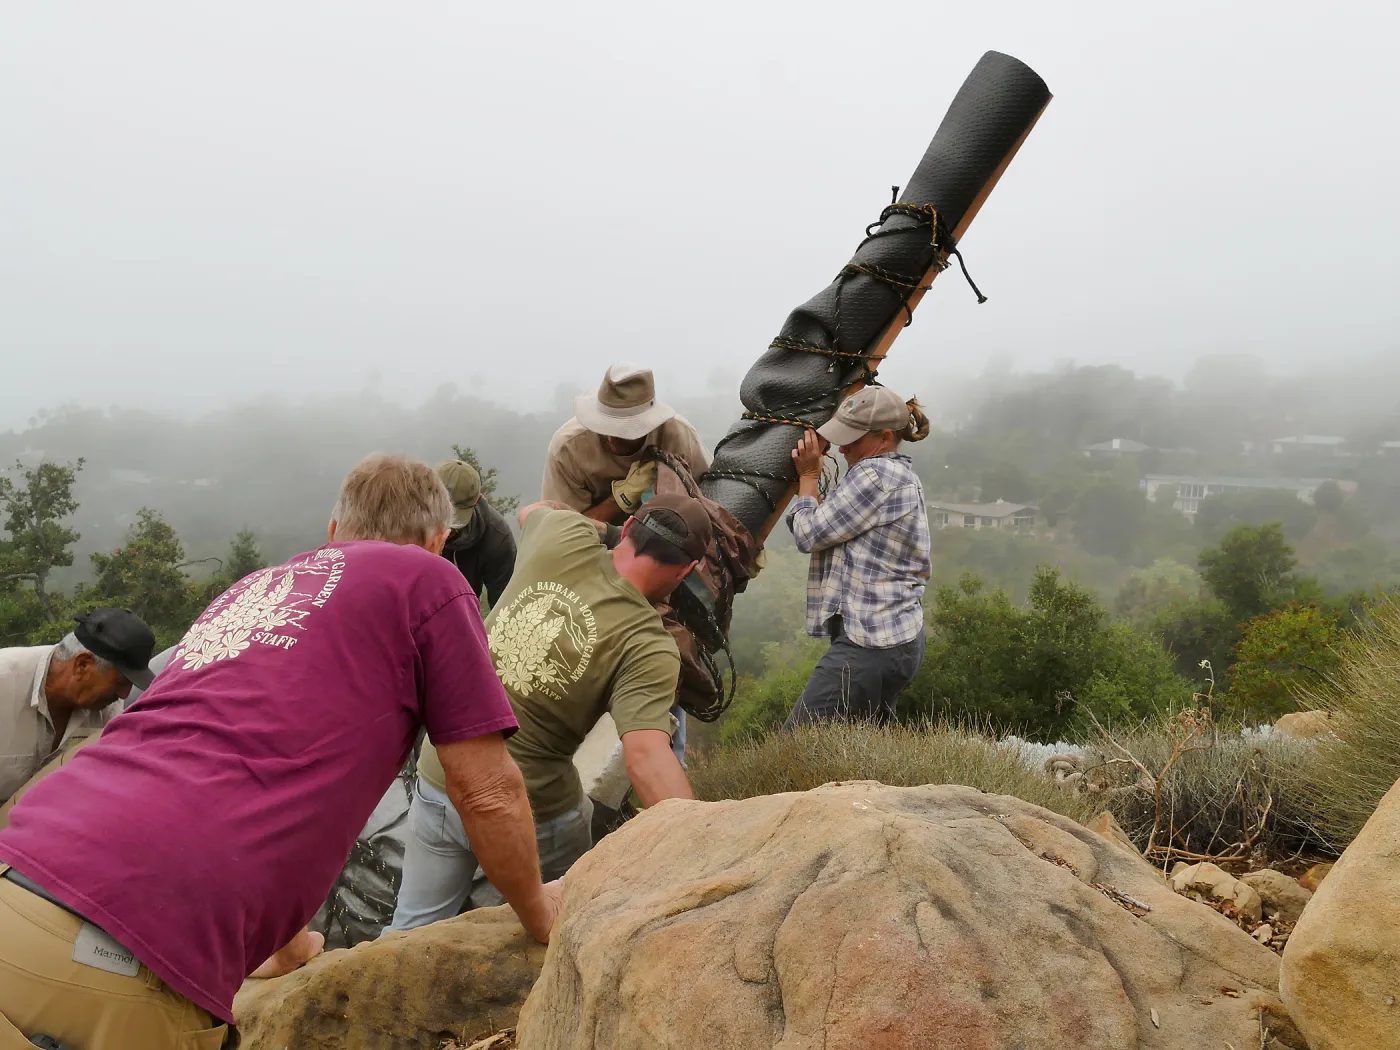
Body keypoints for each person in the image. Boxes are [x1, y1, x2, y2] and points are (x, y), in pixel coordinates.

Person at [0, 453, 561, 1049]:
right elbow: (484, 787)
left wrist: (286, 947)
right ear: (438, 541)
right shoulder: (427, 580)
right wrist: (539, 910)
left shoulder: (249, 592)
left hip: (21, 869)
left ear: (333, 531)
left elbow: (245, 762)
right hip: (125, 960)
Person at [391, 491, 711, 930]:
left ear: (629, 527)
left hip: (442, 769)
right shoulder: (648, 645)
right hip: (532, 810)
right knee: (571, 907)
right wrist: (703, 849)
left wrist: (603, 530)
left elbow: (531, 511)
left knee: (413, 925)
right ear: (688, 569)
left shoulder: (562, 533)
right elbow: (645, 756)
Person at [783, 386, 933, 728]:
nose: (842, 447)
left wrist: (808, 477)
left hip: (871, 644)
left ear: (884, 437)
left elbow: (808, 534)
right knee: (861, 741)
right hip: (898, 637)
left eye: (852, 439)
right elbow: (832, 527)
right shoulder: (897, 474)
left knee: (797, 741)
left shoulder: (875, 476)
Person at [0, 608, 156, 808]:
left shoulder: (107, 709)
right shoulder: (5, 681)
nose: (124, 695)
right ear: (82, 665)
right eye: (120, 682)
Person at [541, 362, 711, 524]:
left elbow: (710, 499)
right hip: (593, 540)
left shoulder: (678, 437)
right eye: (605, 427)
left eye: (623, 431)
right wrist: (621, 498)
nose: (611, 439)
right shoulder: (568, 449)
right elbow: (563, 531)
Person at [435, 458, 517, 606]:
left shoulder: (498, 538)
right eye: (439, 514)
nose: (446, 528)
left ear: (477, 501)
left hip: (464, 611)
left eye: (453, 521)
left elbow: (504, 607)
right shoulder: (407, 519)